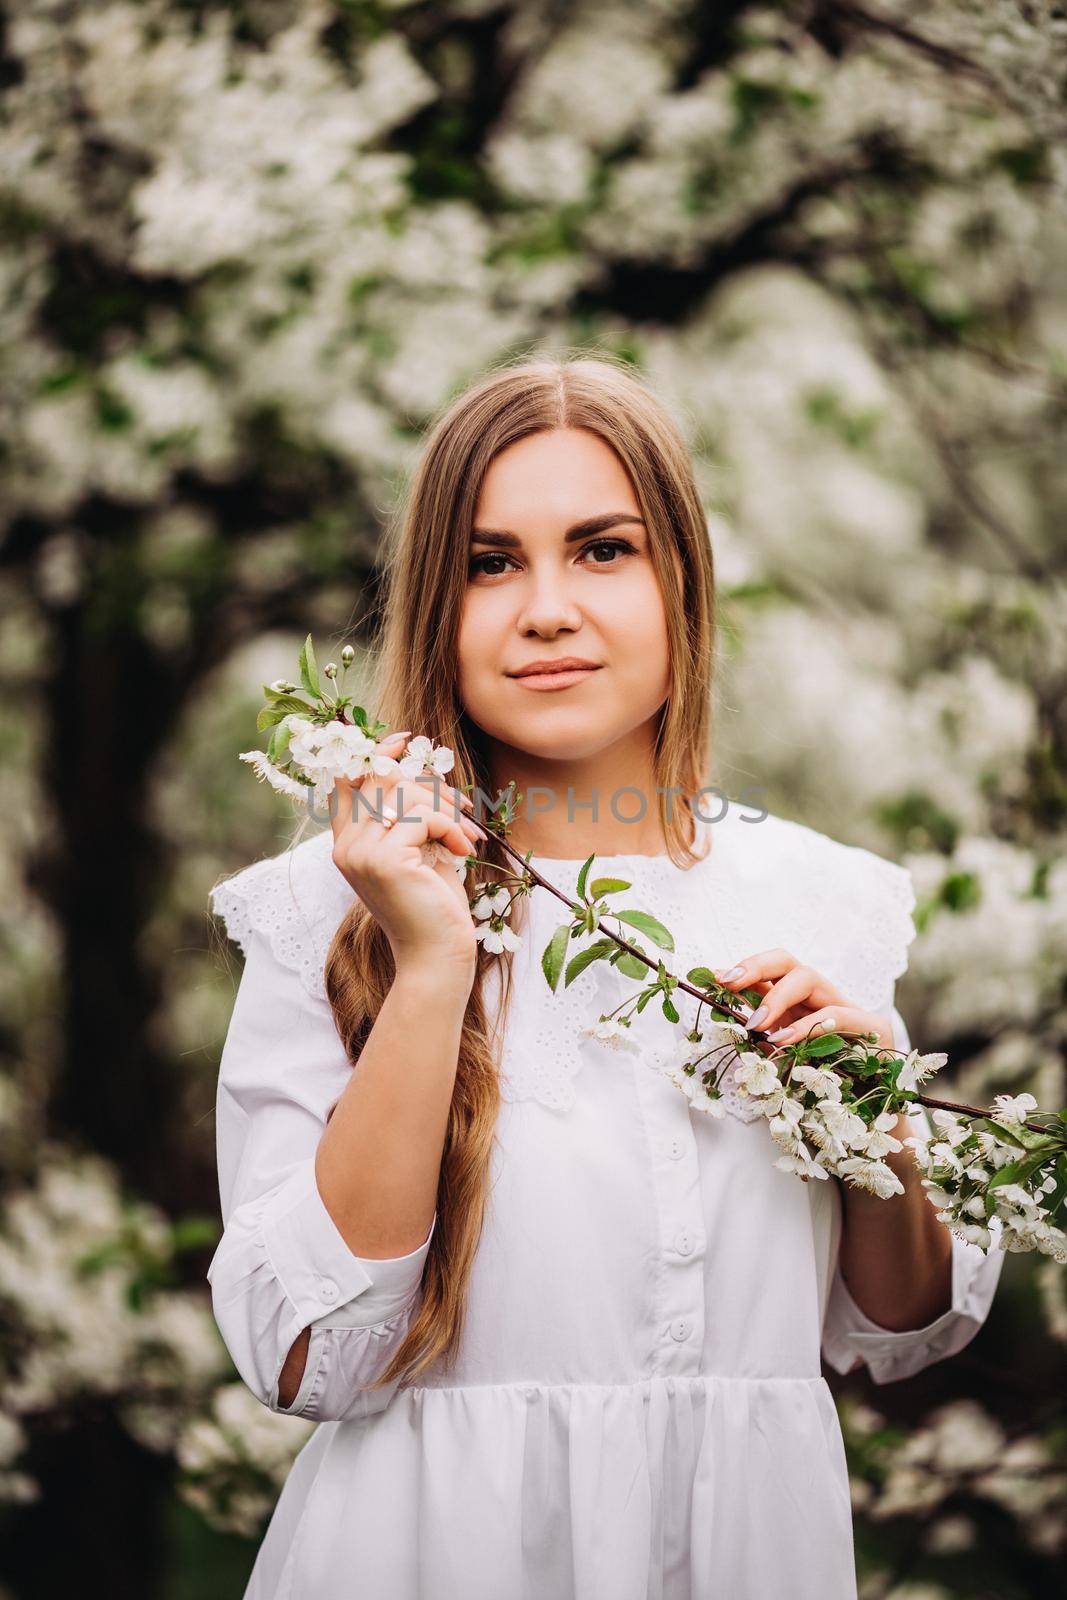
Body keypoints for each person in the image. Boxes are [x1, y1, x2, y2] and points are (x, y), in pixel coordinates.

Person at [206, 355, 1004, 1600]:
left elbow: (899, 1328)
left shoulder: (815, 897)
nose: (544, 608)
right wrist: (428, 967)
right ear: (437, 603)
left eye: (600, 549)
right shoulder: (329, 905)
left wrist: (875, 1116)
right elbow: (307, 1361)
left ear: (680, 581)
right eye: (489, 562)